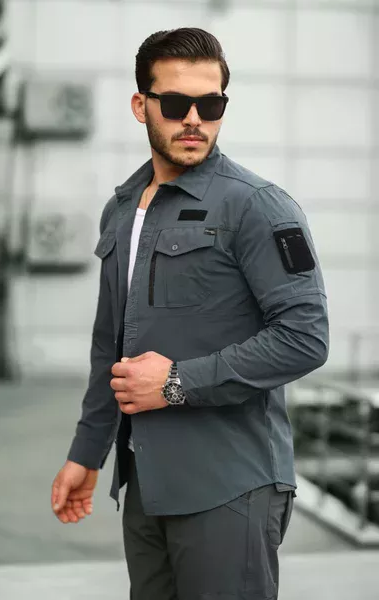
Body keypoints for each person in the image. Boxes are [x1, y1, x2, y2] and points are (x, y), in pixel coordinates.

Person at [51, 27, 329, 600]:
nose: (195, 120)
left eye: (212, 104)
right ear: (141, 106)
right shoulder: (121, 210)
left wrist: (176, 382)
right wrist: (87, 452)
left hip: (230, 486)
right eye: (176, 104)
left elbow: (305, 337)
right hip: (147, 483)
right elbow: (111, 346)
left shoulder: (258, 206)